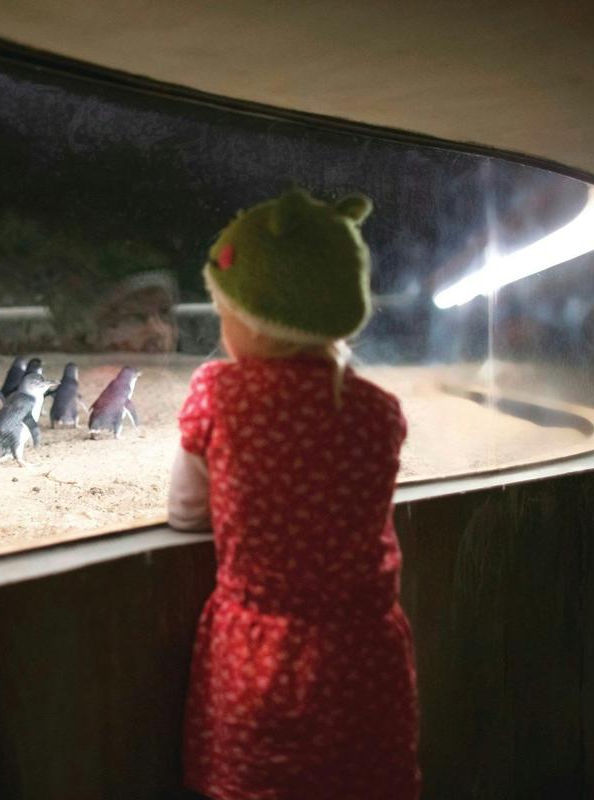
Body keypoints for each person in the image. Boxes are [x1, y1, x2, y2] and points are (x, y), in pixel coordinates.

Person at [168, 188, 420, 799]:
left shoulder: (219, 394)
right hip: (366, 653)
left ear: (250, 319)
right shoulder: (377, 410)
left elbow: (185, 512)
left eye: (224, 310)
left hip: (261, 655)